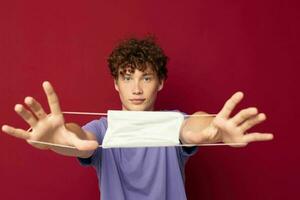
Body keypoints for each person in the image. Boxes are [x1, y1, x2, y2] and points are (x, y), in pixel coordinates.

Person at [1, 36, 274, 200]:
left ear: (160, 83)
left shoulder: (172, 123)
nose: (137, 89)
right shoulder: (103, 128)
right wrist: (58, 140)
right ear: (116, 84)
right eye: (127, 77)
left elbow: (192, 127)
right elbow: (79, 137)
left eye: (146, 77)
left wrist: (212, 130)